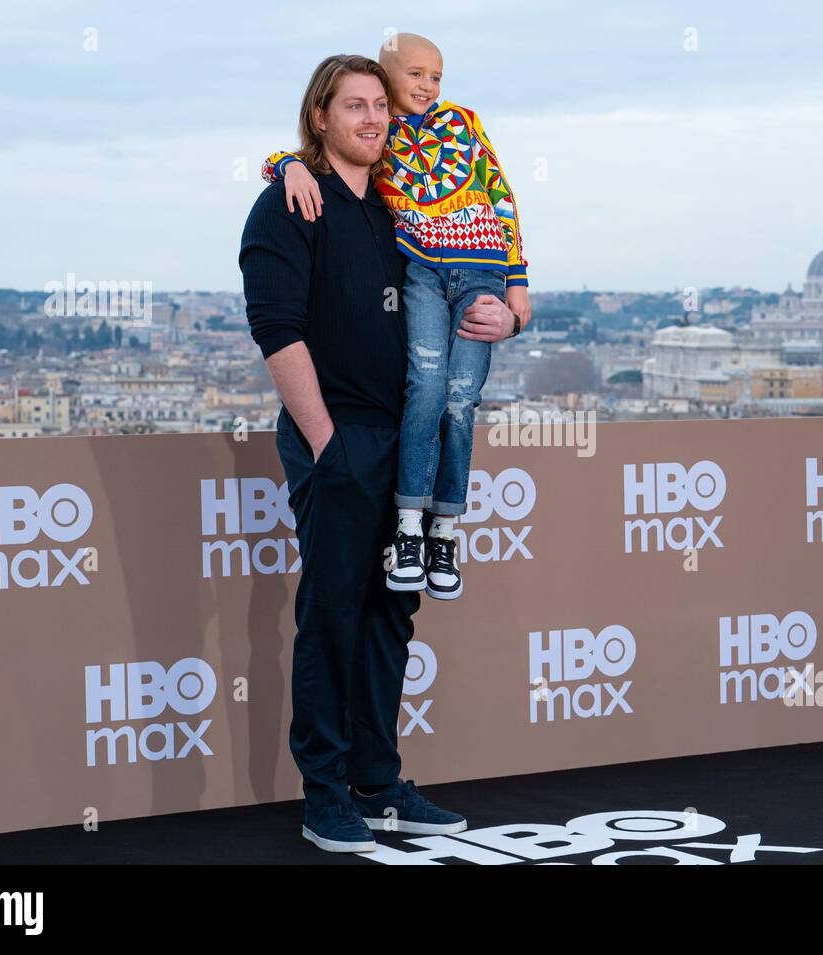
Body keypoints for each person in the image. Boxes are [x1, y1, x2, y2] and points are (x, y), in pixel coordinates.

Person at [239, 53, 517, 853]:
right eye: (353, 106)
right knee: (330, 615)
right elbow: (277, 331)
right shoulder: (288, 205)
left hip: (407, 448)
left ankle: (378, 781)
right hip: (340, 440)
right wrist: (327, 445)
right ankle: (325, 795)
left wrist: (511, 314)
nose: (371, 119)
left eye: (380, 107)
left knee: (390, 613)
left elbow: (474, 260)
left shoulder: (398, 208)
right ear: (318, 116)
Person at [260, 32, 531, 601]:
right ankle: (417, 527)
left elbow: (500, 195)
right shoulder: (379, 155)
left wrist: (515, 299)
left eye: (436, 77)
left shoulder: (454, 132)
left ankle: (441, 531)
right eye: (412, 77)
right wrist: (288, 166)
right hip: (348, 428)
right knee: (334, 613)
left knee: (459, 402)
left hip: (473, 290)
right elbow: (326, 151)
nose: (426, 88)